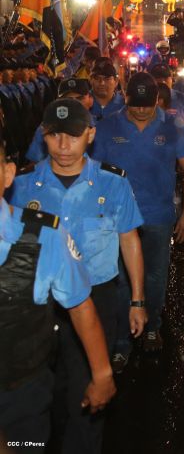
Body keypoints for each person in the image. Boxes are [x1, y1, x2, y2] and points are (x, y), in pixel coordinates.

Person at [11, 99, 145, 452]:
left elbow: (129, 239)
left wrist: (136, 299)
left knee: (85, 400)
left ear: (91, 134)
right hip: (38, 307)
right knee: (41, 395)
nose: (64, 146)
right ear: (44, 136)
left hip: (95, 302)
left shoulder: (111, 183)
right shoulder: (23, 186)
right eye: (55, 136)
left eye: (73, 136)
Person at [0, 137, 116, 454]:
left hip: (22, 395)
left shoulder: (46, 237)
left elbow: (80, 305)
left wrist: (102, 373)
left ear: (8, 175)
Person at [91, 73, 184, 356]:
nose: (140, 110)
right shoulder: (107, 127)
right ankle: (123, 341)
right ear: (125, 99)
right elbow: (92, 172)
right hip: (116, 220)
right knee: (121, 280)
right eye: (134, 104)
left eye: (146, 105)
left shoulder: (174, 127)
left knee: (155, 276)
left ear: (157, 102)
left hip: (157, 216)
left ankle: (153, 326)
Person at [25, 78, 94, 164]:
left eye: (80, 98)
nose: (74, 103)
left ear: (91, 100)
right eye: (68, 99)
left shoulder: (103, 126)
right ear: (58, 102)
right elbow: (35, 164)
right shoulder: (47, 128)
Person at [150, 64, 184, 130]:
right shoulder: (144, 101)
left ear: (172, 79)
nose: (162, 81)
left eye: (166, 78)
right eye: (158, 78)